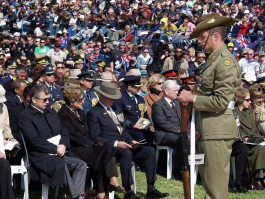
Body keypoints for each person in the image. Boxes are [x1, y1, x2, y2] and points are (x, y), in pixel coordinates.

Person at [177, 14, 241, 199]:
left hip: (217, 130)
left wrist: (193, 98)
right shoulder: (213, 62)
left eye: (203, 37)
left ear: (216, 36)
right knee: (209, 186)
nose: (200, 42)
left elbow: (221, 101)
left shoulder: (225, 63)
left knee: (216, 189)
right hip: (208, 130)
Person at [87, 82, 169, 199]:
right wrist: (116, 143)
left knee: (150, 151)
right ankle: (128, 190)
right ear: (103, 97)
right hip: (109, 148)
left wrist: (131, 140)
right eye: (111, 99)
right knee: (126, 152)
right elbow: (96, 137)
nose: (113, 101)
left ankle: (151, 188)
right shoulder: (94, 113)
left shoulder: (115, 109)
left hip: (124, 144)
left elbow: (123, 130)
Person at [18, 85, 87, 199]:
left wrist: (63, 145)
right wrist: (55, 149)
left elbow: (64, 130)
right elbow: (34, 140)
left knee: (81, 164)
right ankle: (75, 196)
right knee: (60, 165)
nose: (47, 102)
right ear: (34, 100)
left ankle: (78, 195)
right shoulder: (25, 117)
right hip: (41, 155)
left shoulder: (50, 111)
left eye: (49, 99)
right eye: (44, 100)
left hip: (60, 151)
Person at [58, 87, 124, 199]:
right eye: (80, 99)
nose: (83, 101)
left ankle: (106, 187)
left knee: (106, 150)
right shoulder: (63, 114)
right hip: (76, 148)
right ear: (72, 101)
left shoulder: (80, 112)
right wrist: (90, 145)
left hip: (87, 146)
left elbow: (88, 132)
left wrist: (93, 143)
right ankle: (105, 189)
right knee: (103, 155)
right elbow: (72, 135)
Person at [234, 87, 265, 190]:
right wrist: (246, 138)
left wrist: (259, 138)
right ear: (240, 100)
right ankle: (257, 179)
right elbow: (236, 130)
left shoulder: (248, 111)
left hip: (253, 140)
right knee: (259, 149)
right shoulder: (234, 112)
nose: (250, 102)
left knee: (261, 146)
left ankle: (261, 178)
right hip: (243, 142)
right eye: (247, 100)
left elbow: (254, 129)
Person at [151, 80, 182, 176]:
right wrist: (178, 130)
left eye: (177, 90)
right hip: (164, 134)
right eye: (175, 90)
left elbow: (184, 119)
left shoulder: (178, 103)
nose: (177, 92)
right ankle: (177, 170)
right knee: (179, 140)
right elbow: (162, 123)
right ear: (167, 91)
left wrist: (188, 129)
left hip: (178, 132)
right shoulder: (158, 105)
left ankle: (191, 167)